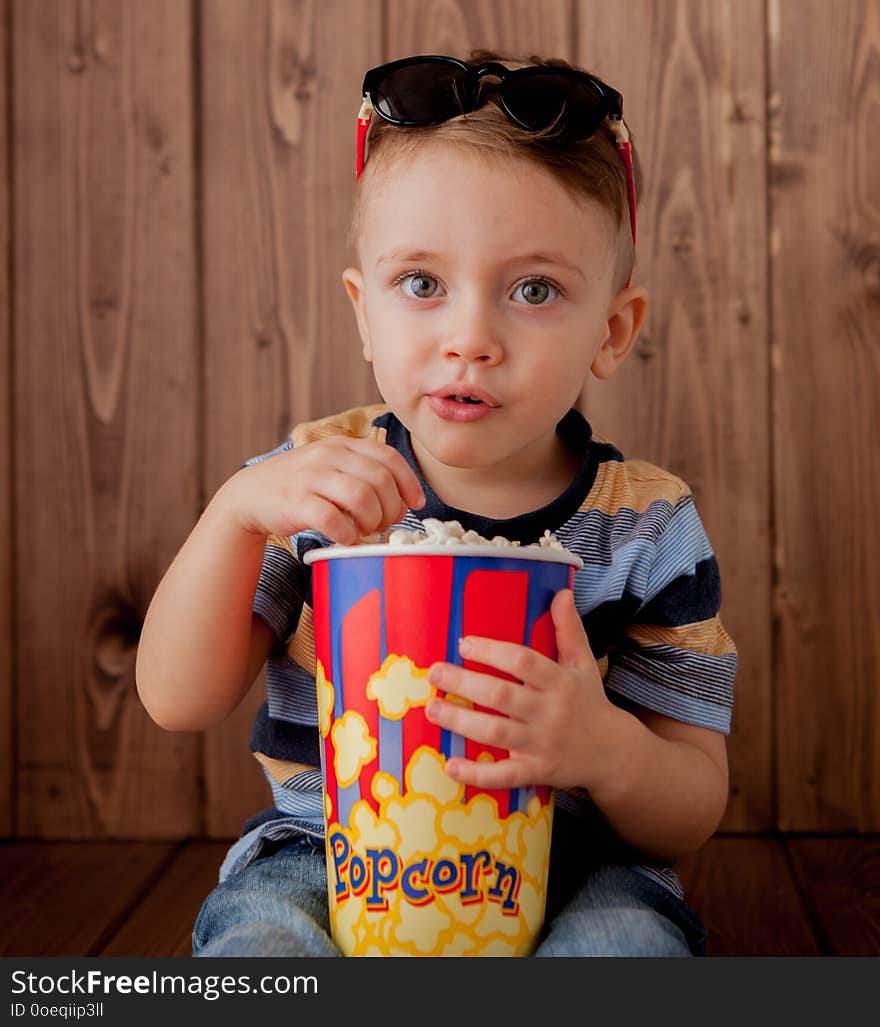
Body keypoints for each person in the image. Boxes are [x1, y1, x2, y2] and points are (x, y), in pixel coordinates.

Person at [136, 49, 737, 957]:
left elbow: (690, 804)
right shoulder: (311, 483)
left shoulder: (648, 524)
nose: (469, 339)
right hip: (331, 852)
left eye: (533, 290)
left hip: (574, 862)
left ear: (611, 331)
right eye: (421, 284)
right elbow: (179, 697)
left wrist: (604, 748)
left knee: (629, 948)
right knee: (261, 944)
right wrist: (231, 514)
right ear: (364, 311)